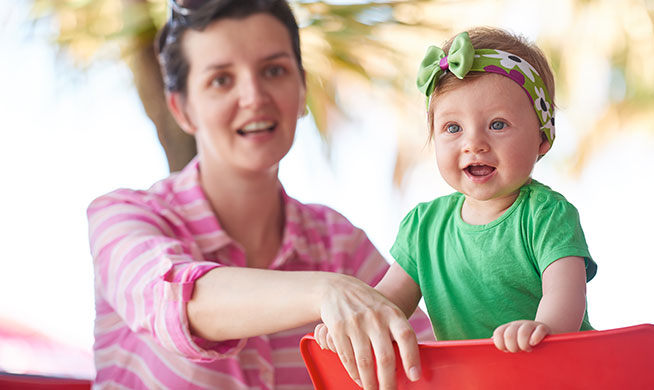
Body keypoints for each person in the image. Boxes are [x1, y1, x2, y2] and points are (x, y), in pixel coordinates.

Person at [85, 0, 432, 388]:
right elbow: (180, 300)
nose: (254, 96)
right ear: (181, 109)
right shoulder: (122, 216)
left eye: (273, 70)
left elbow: (427, 359)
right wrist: (326, 290)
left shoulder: (342, 246)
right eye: (221, 79)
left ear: (301, 90)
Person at [314, 27, 598, 389]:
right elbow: (387, 303)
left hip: (555, 374)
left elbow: (566, 293)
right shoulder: (424, 226)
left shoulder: (546, 214)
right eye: (452, 128)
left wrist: (545, 330)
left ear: (542, 139)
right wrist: (352, 323)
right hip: (475, 379)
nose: (473, 143)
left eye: (497, 124)